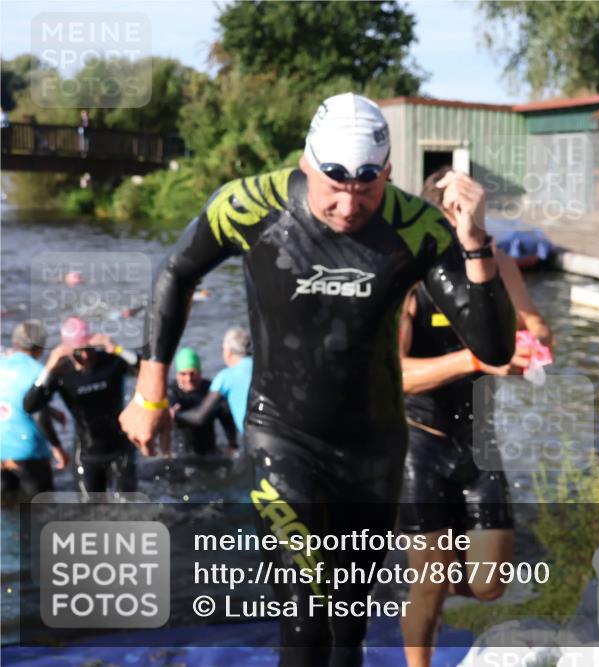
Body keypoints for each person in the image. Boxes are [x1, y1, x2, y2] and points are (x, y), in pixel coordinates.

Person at [118, 92, 516, 666]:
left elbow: (494, 345)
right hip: (282, 438)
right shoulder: (250, 206)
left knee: (348, 625)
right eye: (335, 188)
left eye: (366, 190)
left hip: (375, 450)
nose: (350, 208)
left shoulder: (416, 226)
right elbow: (176, 271)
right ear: (307, 164)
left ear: (388, 174)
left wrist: (475, 241)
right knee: (306, 616)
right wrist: (150, 390)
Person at [398, 168, 554, 667]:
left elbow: (538, 327)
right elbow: (393, 375)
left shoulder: (499, 264)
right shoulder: (408, 275)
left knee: (490, 584)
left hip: (478, 443)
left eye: (471, 216)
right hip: (418, 444)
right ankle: (422, 629)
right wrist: (477, 360)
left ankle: (433, 595)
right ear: (433, 218)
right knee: (429, 578)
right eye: (453, 217)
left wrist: (535, 344)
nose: (462, 228)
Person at [25, 317, 140, 497]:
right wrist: (48, 367)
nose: (85, 356)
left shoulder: (110, 361)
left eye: (89, 349)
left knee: (127, 507)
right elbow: (30, 405)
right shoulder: (62, 373)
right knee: (90, 513)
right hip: (87, 455)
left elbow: (146, 370)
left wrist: (117, 348)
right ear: (68, 351)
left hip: (120, 449)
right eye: (79, 352)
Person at [0, 320, 69, 504]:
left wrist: (52, 410)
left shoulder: (2, 363)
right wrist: (57, 447)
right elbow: (39, 415)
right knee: (41, 513)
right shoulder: (38, 372)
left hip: (2, 450)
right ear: (41, 347)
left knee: (7, 509)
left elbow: (11, 397)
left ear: (15, 342)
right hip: (28, 454)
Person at [167, 346, 238, 456]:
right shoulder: (172, 392)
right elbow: (168, 410)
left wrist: (232, 445)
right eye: (183, 374)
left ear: (200, 372)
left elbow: (227, 418)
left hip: (209, 453)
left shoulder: (211, 390)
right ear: (177, 375)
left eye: (192, 373)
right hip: (180, 454)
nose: (188, 379)